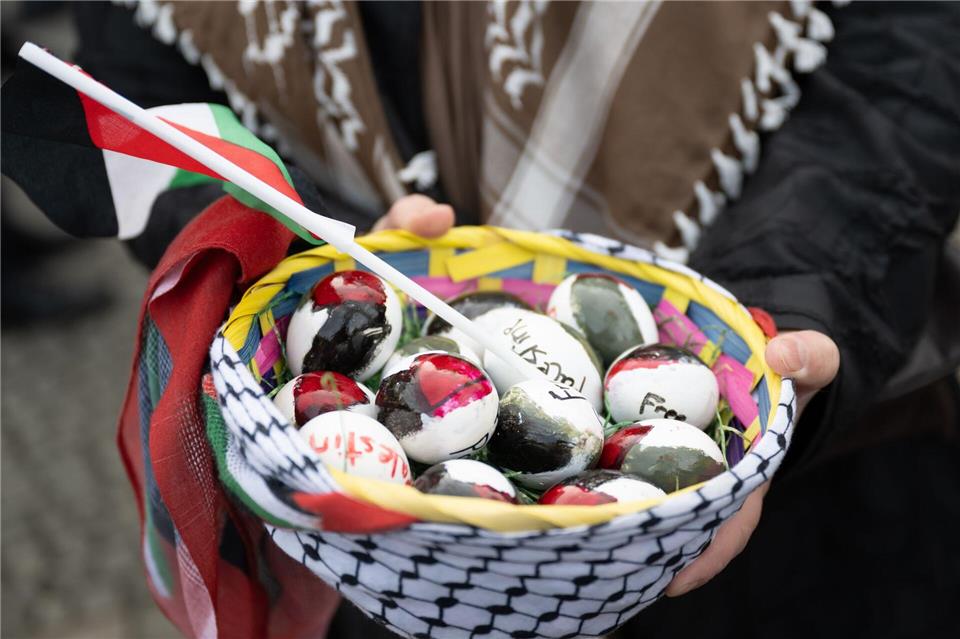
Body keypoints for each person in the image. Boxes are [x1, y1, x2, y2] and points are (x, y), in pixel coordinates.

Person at [7, 1, 960, 637]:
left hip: (794, 526)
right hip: (391, 544)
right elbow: (144, 82)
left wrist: (787, 302)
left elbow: (904, 58)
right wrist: (317, 281)